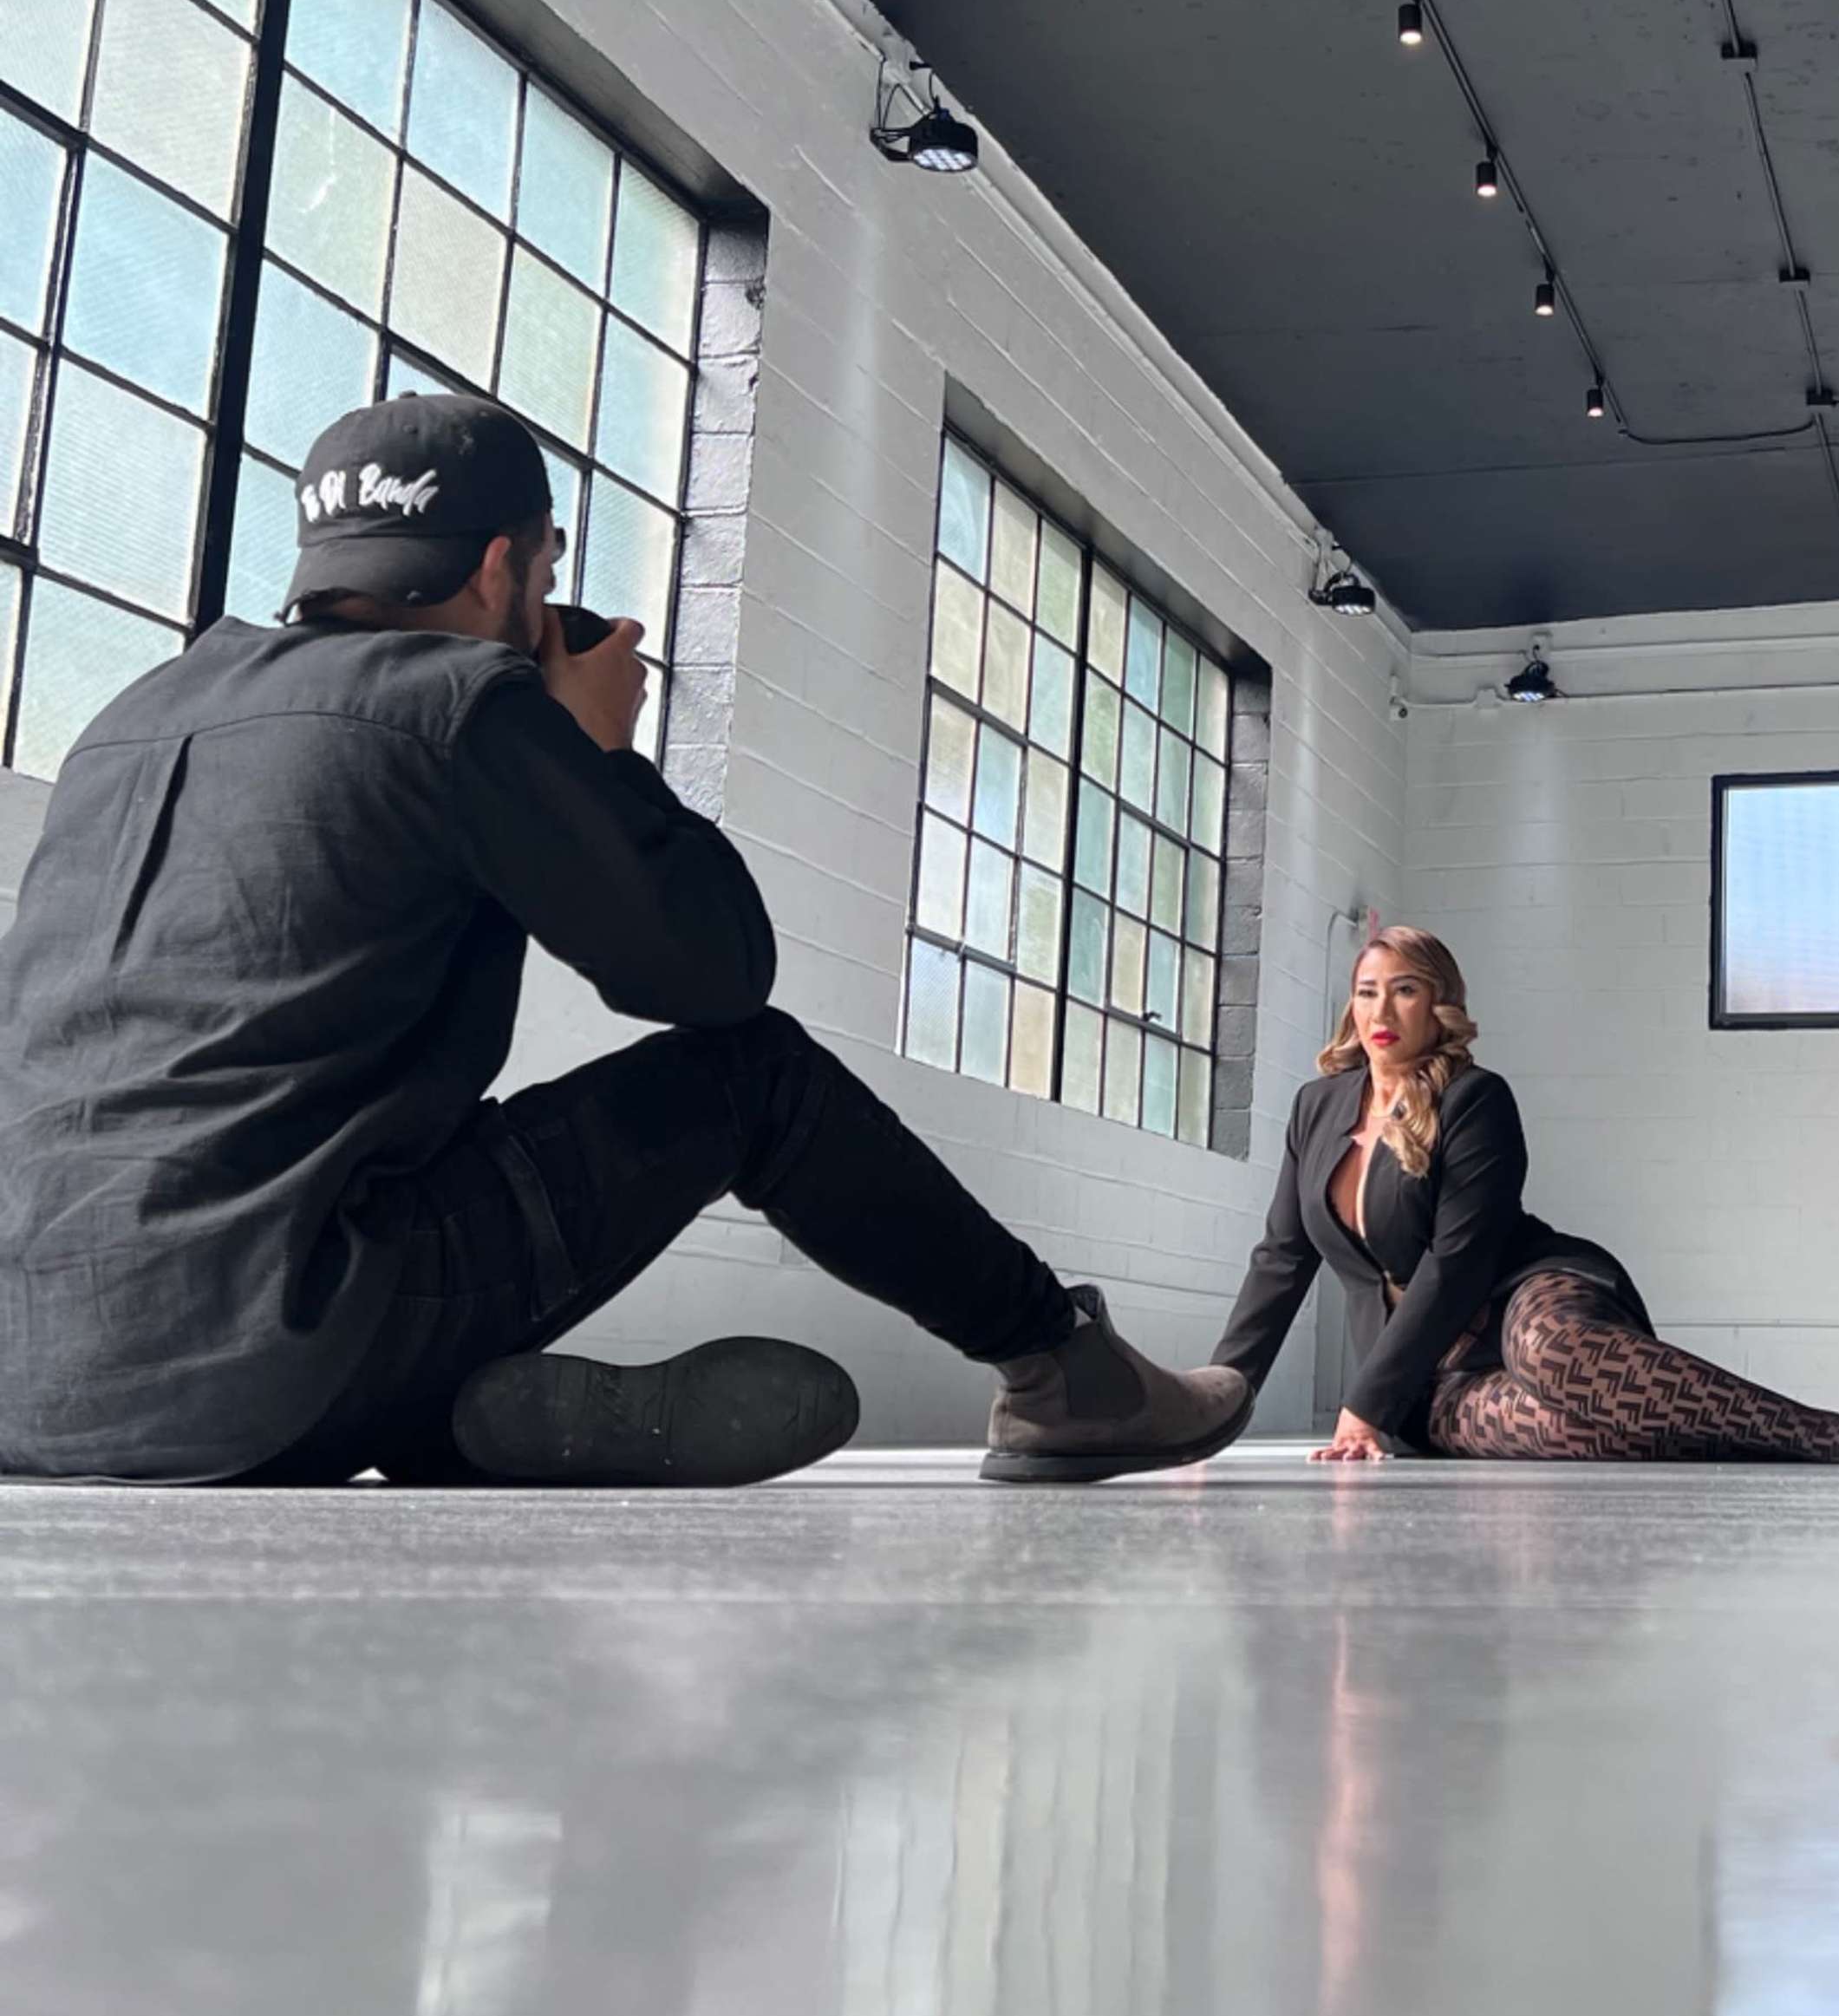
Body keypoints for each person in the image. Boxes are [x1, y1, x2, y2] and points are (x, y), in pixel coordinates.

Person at [0, 395, 1250, 1491]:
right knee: (755, 1074)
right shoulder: (459, 705)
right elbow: (714, 977)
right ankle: (1063, 1376)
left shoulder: (138, 711)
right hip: (277, 1350)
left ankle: (441, 1410)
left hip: (33, 1374)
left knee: (375, 1162)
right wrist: (598, 753)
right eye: (544, 569)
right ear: (502, 569)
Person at [1204, 924, 1839, 1465]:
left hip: (1521, 1291)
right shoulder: (1316, 1108)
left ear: (1440, 1007)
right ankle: (1744, 1441)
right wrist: (1216, 1407)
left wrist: (1361, 1405)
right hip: (1430, 1372)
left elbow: (1458, 1261)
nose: (1381, 1012)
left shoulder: (1475, 1098)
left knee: (1553, 1353)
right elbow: (1281, 1260)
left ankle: (1838, 1435)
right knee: (1583, 1430)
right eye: (1368, 993)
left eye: (1406, 991)